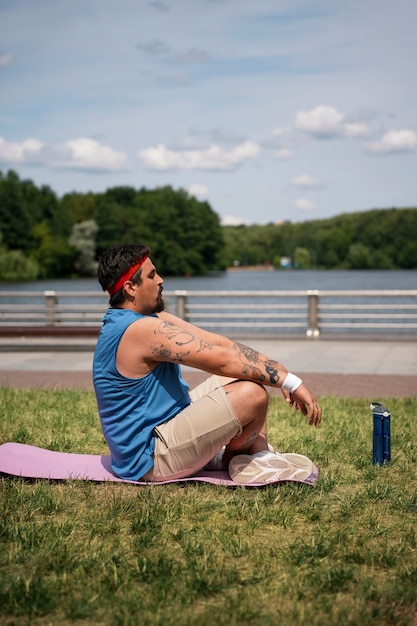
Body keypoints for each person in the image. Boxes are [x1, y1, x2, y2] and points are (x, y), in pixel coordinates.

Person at [93, 243, 322, 485]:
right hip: (149, 459)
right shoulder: (139, 329)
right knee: (252, 394)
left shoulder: (147, 319)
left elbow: (222, 345)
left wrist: (281, 373)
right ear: (130, 288)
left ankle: (257, 452)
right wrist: (292, 382)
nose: (160, 280)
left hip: (165, 431)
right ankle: (236, 459)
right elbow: (222, 362)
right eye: (152, 275)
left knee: (245, 378)